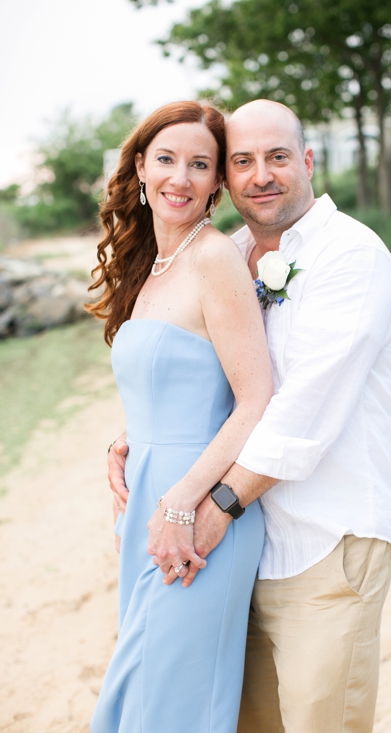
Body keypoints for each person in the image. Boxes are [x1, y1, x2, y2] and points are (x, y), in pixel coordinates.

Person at [109, 99, 391, 733]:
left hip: (326, 541)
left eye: (276, 157)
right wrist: (140, 435)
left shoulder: (350, 256)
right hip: (251, 543)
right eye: (242, 161)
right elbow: (211, 372)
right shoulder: (236, 249)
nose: (259, 175)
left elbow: (298, 414)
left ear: (307, 160)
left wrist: (203, 506)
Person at [89, 101, 274, 732]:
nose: (181, 178)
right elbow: (179, 381)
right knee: (140, 688)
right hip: (148, 500)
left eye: (201, 165)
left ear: (218, 182)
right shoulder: (154, 263)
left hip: (197, 510)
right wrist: (126, 439)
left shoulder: (213, 258)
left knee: (172, 708)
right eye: (166, 159)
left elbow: (255, 399)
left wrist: (181, 505)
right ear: (140, 165)